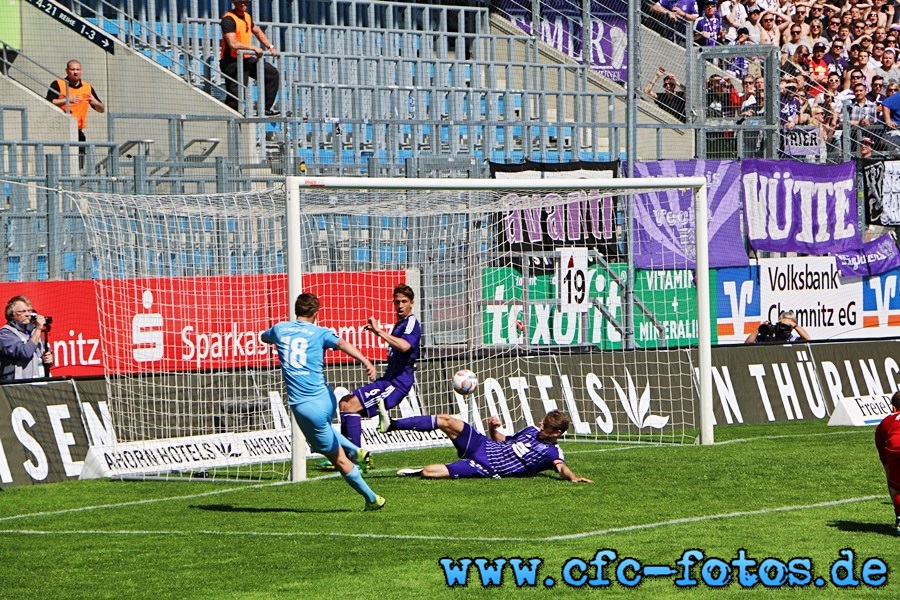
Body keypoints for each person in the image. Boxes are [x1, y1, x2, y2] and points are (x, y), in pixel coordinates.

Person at [261, 293, 385, 511]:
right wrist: (365, 360)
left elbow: (264, 337)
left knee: (339, 460)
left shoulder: (280, 329)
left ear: (295, 311)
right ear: (316, 314)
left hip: (305, 407)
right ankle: (356, 450)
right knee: (326, 430)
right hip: (325, 398)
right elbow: (342, 343)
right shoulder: (321, 333)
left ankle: (372, 498)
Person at [379, 405, 593, 483]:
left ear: (557, 432)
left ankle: (417, 472)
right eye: (542, 421)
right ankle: (392, 424)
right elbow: (503, 440)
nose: (540, 425)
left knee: (429, 472)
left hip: (486, 467)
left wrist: (573, 477)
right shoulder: (530, 431)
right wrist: (493, 429)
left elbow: (561, 467)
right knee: (447, 420)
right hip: (482, 445)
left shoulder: (552, 452)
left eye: (545, 425)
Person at [333, 283, 421, 460]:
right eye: (397, 302)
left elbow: (404, 346)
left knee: (350, 405)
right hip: (388, 380)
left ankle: (354, 458)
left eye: (404, 301)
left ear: (412, 303)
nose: (400, 305)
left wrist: (379, 331)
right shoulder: (400, 324)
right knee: (345, 403)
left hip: (397, 384)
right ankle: (347, 456)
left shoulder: (412, 323)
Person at [219, 0, 280, 115]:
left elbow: (257, 31)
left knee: (272, 74)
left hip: (246, 59)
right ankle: (230, 117)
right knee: (236, 96)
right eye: (240, 2)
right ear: (235, 3)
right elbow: (233, 44)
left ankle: (265, 108)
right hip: (231, 62)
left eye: (246, 2)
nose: (243, 4)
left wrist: (270, 46)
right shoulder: (228, 19)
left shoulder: (247, 17)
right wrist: (253, 48)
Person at [45, 59, 105, 169]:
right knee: (63, 164)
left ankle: (75, 183)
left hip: (78, 132)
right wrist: (67, 100)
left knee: (78, 165)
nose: (75, 72)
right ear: (67, 71)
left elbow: (101, 109)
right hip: (61, 130)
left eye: (78, 69)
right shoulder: (59, 84)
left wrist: (96, 102)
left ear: (81, 71)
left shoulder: (87, 87)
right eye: (72, 69)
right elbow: (48, 102)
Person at [0, 296, 53, 381]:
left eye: (29, 311)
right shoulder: (5, 334)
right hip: (17, 385)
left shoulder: (33, 330)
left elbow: (44, 353)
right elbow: (25, 353)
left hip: (39, 381)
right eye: (22, 311)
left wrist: (48, 359)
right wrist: (38, 329)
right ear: (12, 314)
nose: (28, 314)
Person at [875, 391, 900, 537]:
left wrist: (889, 473)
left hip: (894, 451)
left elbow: (882, 449)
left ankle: (899, 519)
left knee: (897, 490)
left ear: (893, 407)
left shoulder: (885, 421)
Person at [745, 309, 811, 343]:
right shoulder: (770, 338)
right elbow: (748, 342)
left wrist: (793, 324)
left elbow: (807, 339)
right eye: (783, 325)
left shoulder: (793, 339)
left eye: (788, 325)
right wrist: (760, 329)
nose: (785, 327)